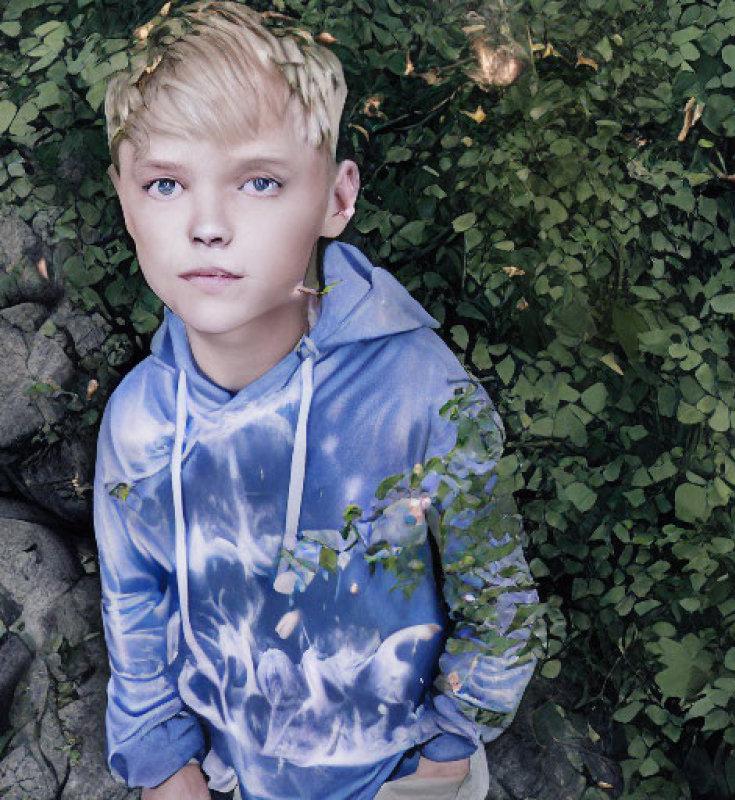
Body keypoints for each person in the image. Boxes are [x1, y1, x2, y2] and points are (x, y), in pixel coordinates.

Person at [94, 3, 541, 799]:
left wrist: (449, 740)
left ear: (336, 200)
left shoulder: (419, 390)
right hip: (232, 777)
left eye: (259, 182)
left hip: (401, 774)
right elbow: (135, 601)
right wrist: (163, 761)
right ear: (126, 203)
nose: (206, 225)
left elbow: (495, 585)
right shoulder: (139, 421)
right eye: (166, 183)